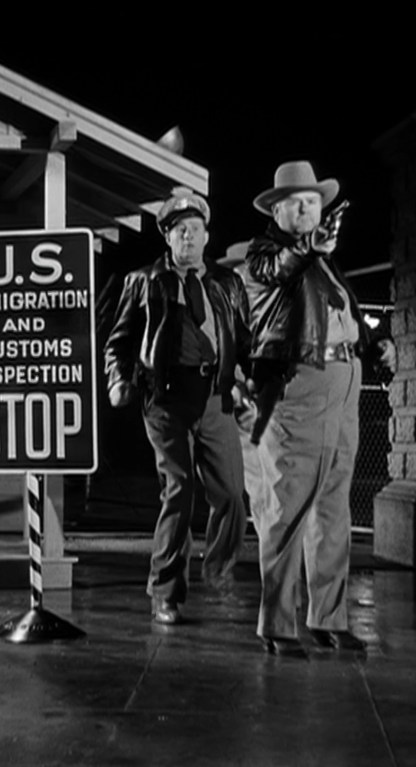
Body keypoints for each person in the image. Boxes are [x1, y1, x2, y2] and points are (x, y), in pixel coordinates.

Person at [235, 161, 395, 657]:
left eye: (314, 202)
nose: (307, 211)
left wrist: (372, 345)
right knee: (287, 509)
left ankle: (328, 618)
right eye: (297, 203)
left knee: (333, 508)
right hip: (298, 387)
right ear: (276, 209)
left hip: (343, 384)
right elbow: (278, 272)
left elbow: (338, 313)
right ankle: (278, 625)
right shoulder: (265, 255)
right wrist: (309, 249)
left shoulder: (322, 260)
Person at [104, 186, 252, 625]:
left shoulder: (227, 284)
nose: (188, 237)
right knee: (180, 492)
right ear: (167, 239)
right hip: (166, 399)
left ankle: (218, 568)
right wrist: (119, 380)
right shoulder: (143, 281)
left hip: (214, 396)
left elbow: (242, 341)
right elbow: (120, 342)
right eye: (179, 230)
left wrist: (253, 383)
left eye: (196, 229)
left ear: (208, 236)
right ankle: (166, 591)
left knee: (231, 494)